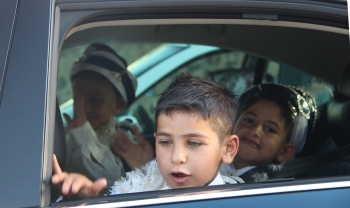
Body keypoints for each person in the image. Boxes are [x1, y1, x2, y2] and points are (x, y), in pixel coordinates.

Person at [52, 72, 243, 199]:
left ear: (228, 148)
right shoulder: (139, 192)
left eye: (193, 143)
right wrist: (87, 200)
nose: (177, 157)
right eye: (165, 142)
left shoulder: (243, 200)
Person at [63, 43, 154, 189]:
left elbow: (112, 179)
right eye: (78, 100)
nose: (85, 108)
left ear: (118, 105)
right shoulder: (66, 135)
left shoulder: (121, 139)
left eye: (95, 101)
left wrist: (84, 133)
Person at [220, 83, 317, 182]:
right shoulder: (211, 161)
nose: (255, 131)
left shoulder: (277, 189)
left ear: (285, 152)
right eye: (249, 121)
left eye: (270, 129)